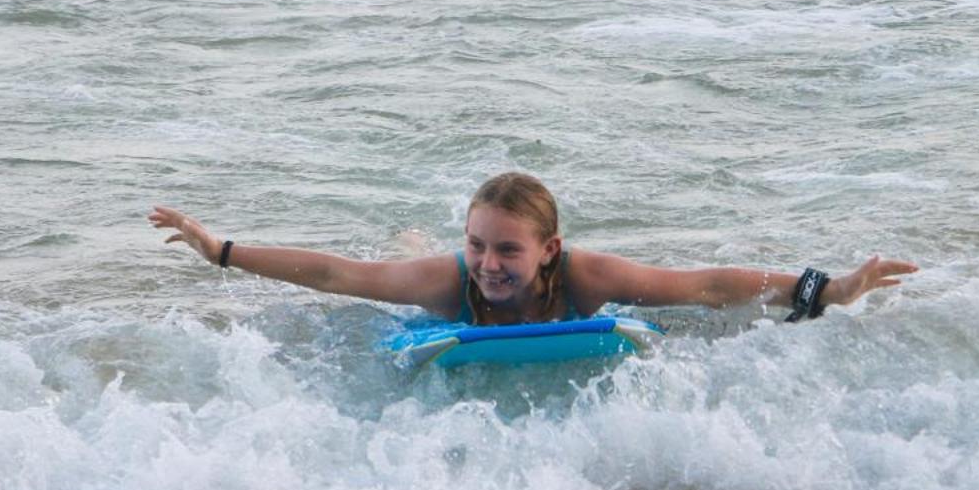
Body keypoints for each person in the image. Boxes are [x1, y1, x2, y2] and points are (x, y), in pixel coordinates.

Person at [149, 172, 916, 326]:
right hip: (441, 321)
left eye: (508, 251)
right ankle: (414, 233)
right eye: (478, 244)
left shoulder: (586, 277)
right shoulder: (448, 283)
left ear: (549, 249)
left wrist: (831, 289)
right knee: (398, 268)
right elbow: (333, 272)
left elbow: (707, 287)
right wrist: (219, 250)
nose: (489, 263)